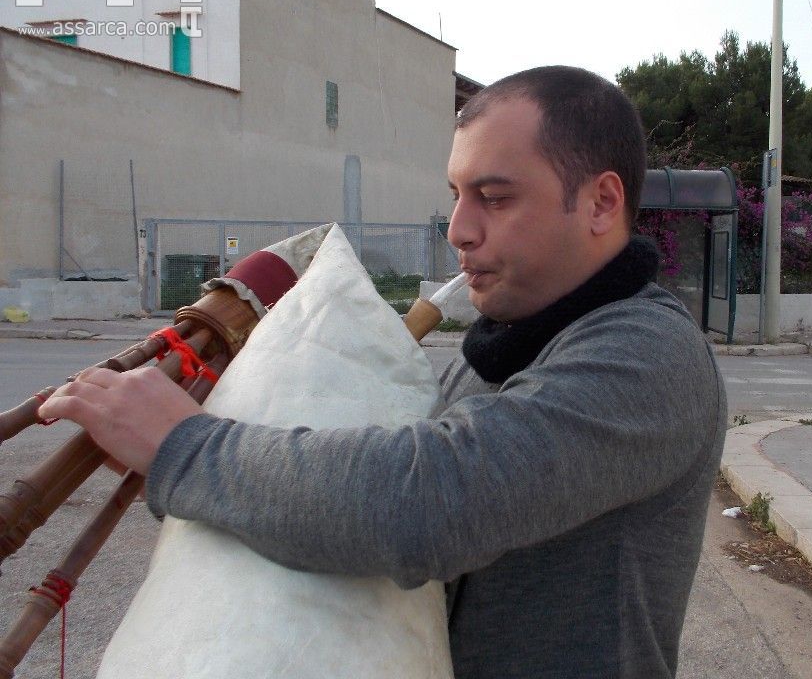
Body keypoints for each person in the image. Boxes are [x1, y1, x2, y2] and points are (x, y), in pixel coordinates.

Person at [40, 66, 727, 679]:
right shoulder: (504, 343)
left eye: (495, 196)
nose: (458, 228)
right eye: (457, 194)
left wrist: (184, 446)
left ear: (602, 204)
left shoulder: (646, 355)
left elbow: (423, 503)